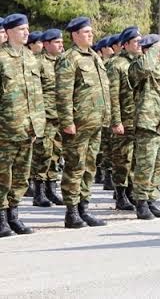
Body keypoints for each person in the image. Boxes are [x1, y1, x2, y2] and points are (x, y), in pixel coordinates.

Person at [56, 16, 110, 228]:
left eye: (91, 32)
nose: (91, 35)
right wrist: (67, 121)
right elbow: (63, 94)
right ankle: (71, 212)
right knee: (74, 166)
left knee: (89, 167)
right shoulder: (69, 58)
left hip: (95, 122)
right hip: (78, 124)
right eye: (86, 32)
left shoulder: (95, 57)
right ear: (75, 35)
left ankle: (83, 207)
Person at [0, 14, 46, 237]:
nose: (26, 33)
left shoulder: (30, 58)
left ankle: (14, 215)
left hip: (29, 127)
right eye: (21, 29)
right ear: (8, 32)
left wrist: (38, 124)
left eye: (27, 29)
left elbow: (37, 94)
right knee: (2, 174)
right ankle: (1, 217)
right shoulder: (1, 57)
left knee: (21, 175)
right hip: (6, 127)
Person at [129, 34, 160, 220]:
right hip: (148, 123)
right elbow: (145, 67)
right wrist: (155, 47)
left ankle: (151, 199)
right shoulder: (138, 65)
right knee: (145, 166)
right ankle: (140, 202)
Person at [108, 26, 142, 211]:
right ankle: (120, 194)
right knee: (122, 159)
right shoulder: (116, 64)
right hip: (124, 118)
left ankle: (131, 192)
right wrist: (116, 121)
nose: (139, 45)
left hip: (138, 119)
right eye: (136, 41)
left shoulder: (138, 63)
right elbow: (112, 96)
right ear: (125, 44)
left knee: (135, 159)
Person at [31, 28, 65, 207]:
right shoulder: (39, 63)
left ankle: (52, 189)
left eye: (61, 42)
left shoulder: (64, 62)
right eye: (57, 42)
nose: (61, 45)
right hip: (45, 116)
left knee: (56, 155)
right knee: (42, 154)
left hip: (61, 116)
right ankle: (39, 192)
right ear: (46, 44)